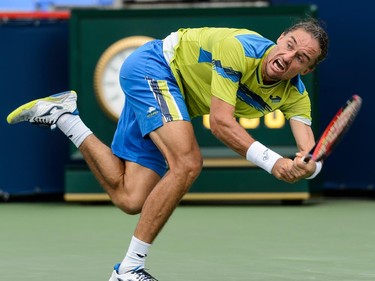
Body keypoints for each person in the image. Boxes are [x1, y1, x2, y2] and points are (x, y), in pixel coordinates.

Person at [7, 17, 328, 281]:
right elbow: (220, 123)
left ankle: (64, 117)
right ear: (281, 37)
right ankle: (129, 270)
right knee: (187, 163)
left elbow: (309, 151)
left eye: (302, 58)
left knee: (130, 197)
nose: (288, 56)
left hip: (172, 100)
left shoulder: (296, 96)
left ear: (307, 69)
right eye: (289, 44)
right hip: (154, 68)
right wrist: (275, 164)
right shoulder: (240, 47)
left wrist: (306, 166)